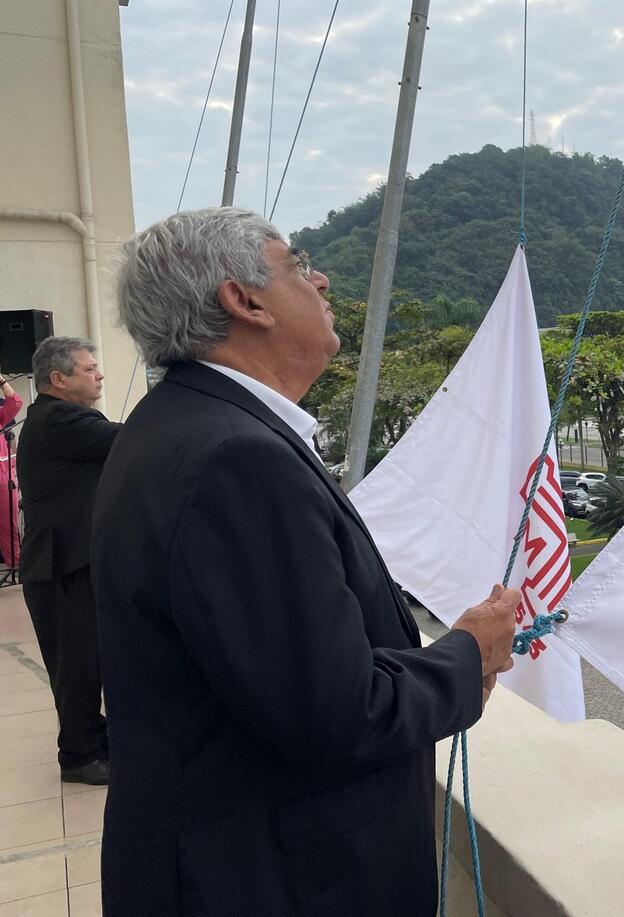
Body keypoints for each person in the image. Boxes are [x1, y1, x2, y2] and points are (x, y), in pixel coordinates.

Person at [92, 207, 521, 916]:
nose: (320, 281)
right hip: (274, 879)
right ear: (245, 300)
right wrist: (469, 654)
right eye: (298, 266)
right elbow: (334, 714)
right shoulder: (237, 457)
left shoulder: (178, 425)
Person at [16, 337, 120, 785]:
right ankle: (78, 756)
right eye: (89, 368)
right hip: (61, 565)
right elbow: (132, 439)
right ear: (58, 379)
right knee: (77, 665)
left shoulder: (56, 418)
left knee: (88, 660)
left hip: (71, 561)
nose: (99, 374)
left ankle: (93, 738)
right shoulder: (59, 418)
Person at [0, 376, 21, 569]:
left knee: (8, 525)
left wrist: (1, 381)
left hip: (4, 475)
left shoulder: (1, 413)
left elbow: (15, 402)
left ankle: (15, 564)